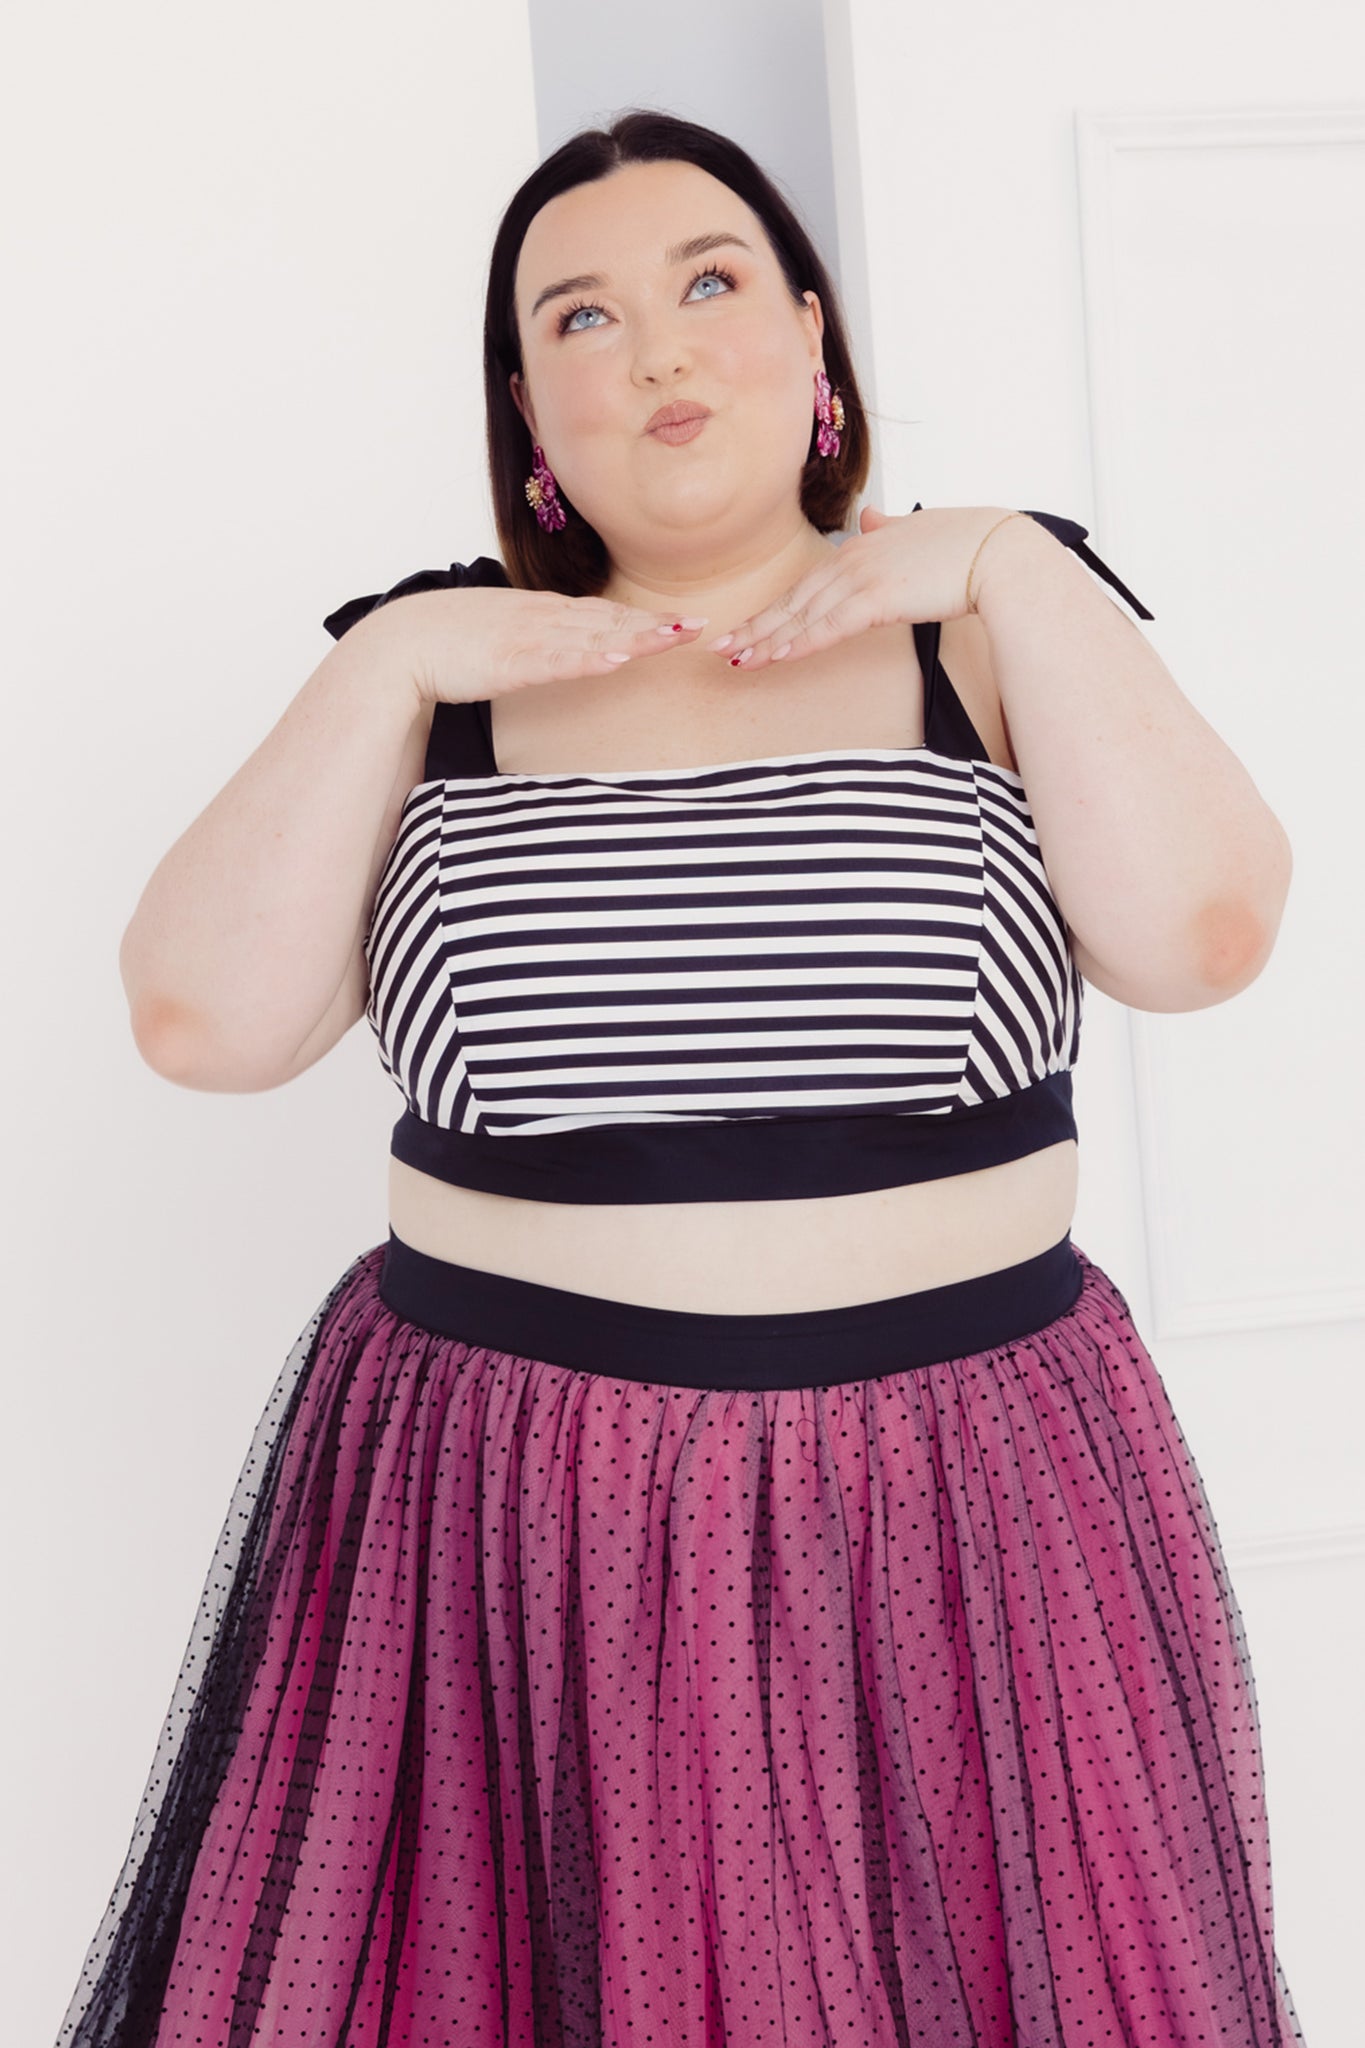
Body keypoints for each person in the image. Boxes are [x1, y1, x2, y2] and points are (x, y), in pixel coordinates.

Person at [56, 109, 1306, 2048]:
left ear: (812, 339)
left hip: (953, 1502)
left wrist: (998, 561)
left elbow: (1197, 936)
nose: (654, 348)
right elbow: (200, 1022)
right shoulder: (443, 675)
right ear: (525, 402)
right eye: (580, 313)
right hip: (504, 1515)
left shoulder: (986, 626)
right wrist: (386, 657)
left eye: (709, 283)